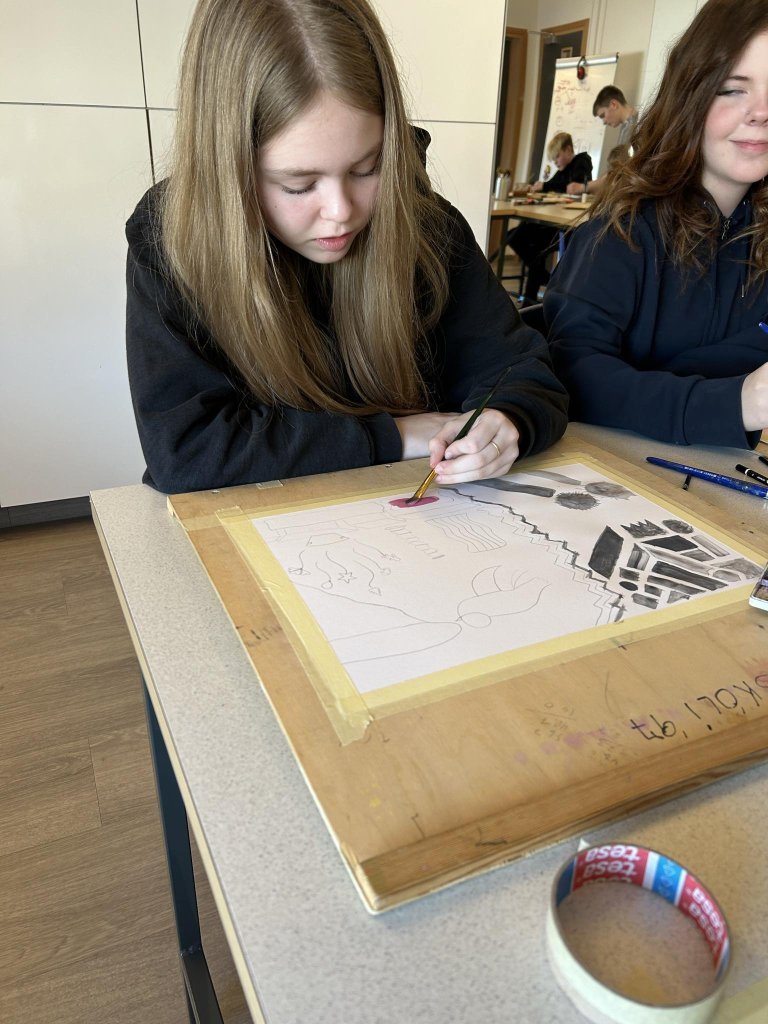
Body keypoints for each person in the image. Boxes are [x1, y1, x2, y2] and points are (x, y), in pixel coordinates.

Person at [125, 0, 568, 494]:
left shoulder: (428, 226)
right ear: (229, 168)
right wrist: (395, 435)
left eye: (368, 168)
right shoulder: (170, 238)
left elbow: (522, 373)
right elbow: (187, 452)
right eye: (298, 185)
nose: (341, 211)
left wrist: (508, 419)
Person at [545, 0, 768, 449]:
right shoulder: (622, 232)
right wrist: (738, 402)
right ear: (690, 97)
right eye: (732, 89)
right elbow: (569, 374)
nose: (761, 112)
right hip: (604, 473)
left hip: (717, 479)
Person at [508, 132, 592, 307]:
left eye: (557, 157)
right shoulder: (562, 171)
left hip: (564, 226)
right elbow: (553, 185)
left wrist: (544, 186)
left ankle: (532, 296)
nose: (556, 162)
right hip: (553, 222)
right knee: (514, 236)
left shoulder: (581, 162)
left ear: (568, 149)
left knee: (531, 245)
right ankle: (543, 280)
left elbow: (570, 187)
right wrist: (541, 187)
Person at [568, 87, 637, 197]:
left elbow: (618, 172)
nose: (604, 122)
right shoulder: (626, 127)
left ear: (613, 104)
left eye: (603, 115)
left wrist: (583, 187)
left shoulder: (635, 127)